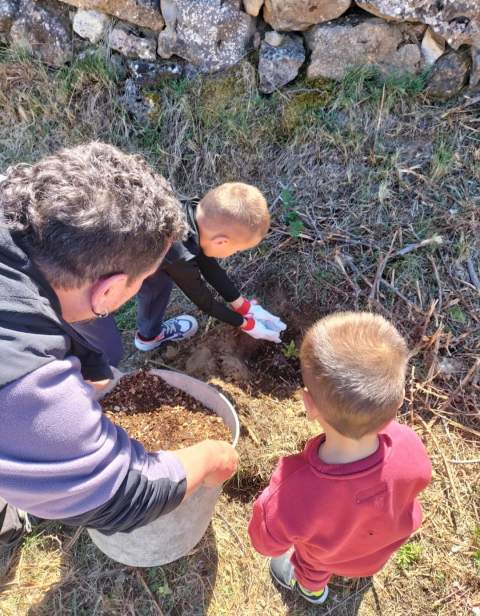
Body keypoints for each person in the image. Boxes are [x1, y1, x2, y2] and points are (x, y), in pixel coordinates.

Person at [0, 143, 238, 574]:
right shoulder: (24, 385)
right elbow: (122, 493)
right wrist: (208, 457)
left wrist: (88, 363)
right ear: (109, 291)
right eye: (142, 281)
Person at [248, 312, 432, 605]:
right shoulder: (409, 444)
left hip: (327, 559)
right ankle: (360, 570)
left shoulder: (292, 490)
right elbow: (418, 484)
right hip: (380, 548)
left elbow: (265, 542)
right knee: (363, 554)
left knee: (311, 567)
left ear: (309, 405)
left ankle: (312, 591)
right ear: (398, 403)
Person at [132, 182, 286, 351]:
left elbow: (208, 265)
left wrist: (244, 306)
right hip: (115, 263)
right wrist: (247, 324)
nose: (234, 253)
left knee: (158, 277)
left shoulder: (193, 212)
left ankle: (148, 333)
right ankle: (145, 339)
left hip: (144, 242)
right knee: (152, 286)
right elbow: (206, 303)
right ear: (221, 242)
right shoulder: (178, 255)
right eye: (237, 250)